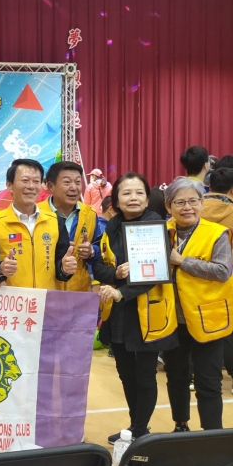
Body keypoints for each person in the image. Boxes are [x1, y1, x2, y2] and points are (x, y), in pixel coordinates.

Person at [93, 172, 178, 444]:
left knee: (145, 375)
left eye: (139, 192)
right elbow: (100, 266)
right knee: (126, 374)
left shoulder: (155, 225)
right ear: (116, 199)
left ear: (148, 198)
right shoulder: (112, 225)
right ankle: (135, 427)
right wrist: (114, 275)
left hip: (147, 311)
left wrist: (122, 292)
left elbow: (155, 274)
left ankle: (140, 431)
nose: (133, 198)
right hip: (119, 312)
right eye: (126, 193)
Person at [162, 177, 233, 431]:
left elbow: (223, 271)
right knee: (176, 377)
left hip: (208, 319)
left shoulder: (216, 233)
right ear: (169, 206)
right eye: (179, 202)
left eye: (193, 201)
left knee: (209, 382)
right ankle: (180, 426)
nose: (187, 207)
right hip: (171, 318)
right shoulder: (159, 232)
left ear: (202, 203)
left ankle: (212, 436)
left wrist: (182, 261)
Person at [0, 158, 77, 288]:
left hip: (46, 298)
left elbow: (60, 268)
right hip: (12, 299)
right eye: (25, 180)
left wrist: (65, 268)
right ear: (9, 185)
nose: (31, 186)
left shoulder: (56, 221)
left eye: (36, 181)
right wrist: (0, 268)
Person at [38, 161, 102, 291]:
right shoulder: (36, 214)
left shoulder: (90, 214)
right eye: (67, 182)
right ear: (51, 186)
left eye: (78, 182)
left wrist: (91, 251)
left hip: (79, 292)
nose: (74, 188)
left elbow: (101, 248)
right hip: (46, 292)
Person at [201, 167, 233, 392]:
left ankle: (193, 374)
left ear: (209, 185)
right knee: (228, 326)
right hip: (226, 278)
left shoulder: (192, 208)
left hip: (193, 276)